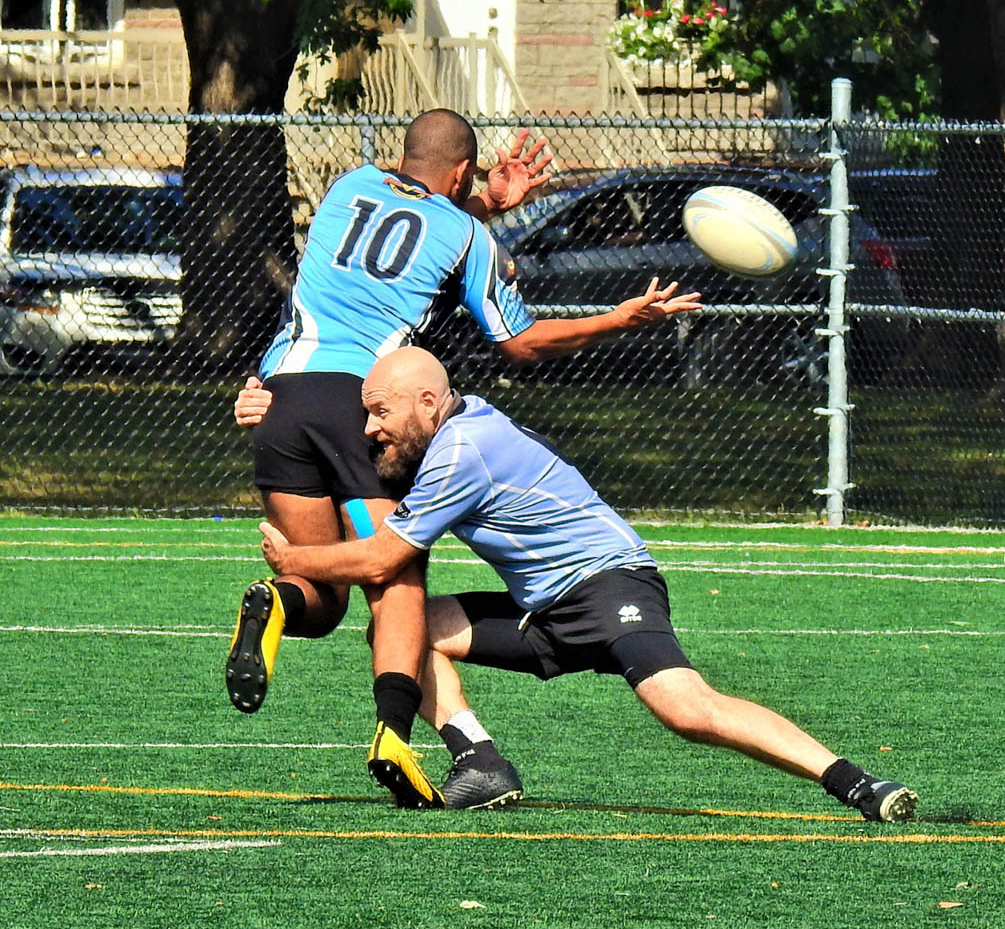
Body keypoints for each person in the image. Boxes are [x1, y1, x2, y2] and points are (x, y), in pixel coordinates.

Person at [227, 108, 702, 809]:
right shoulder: (467, 234)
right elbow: (521, 341)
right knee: (395, 574)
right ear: (460, 172)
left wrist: (483, 202)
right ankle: (393, 733)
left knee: (322, 601)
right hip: (364, 403)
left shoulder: (347, 186)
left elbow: (408, 227)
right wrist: (618, 318)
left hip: (280, 398)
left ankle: (277, 605)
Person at [251, 346, 918, 821]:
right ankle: (479, 760)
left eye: (380, 412)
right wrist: (267, 403)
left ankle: (853, 780)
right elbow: (384, 485)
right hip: (545, 606)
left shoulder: (461, 450)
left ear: (429, 402)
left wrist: (297, 558)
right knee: (404, 627)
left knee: (686, 707)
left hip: (605, 584)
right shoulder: (455, 424)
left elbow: (378, 560)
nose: (370, 428)